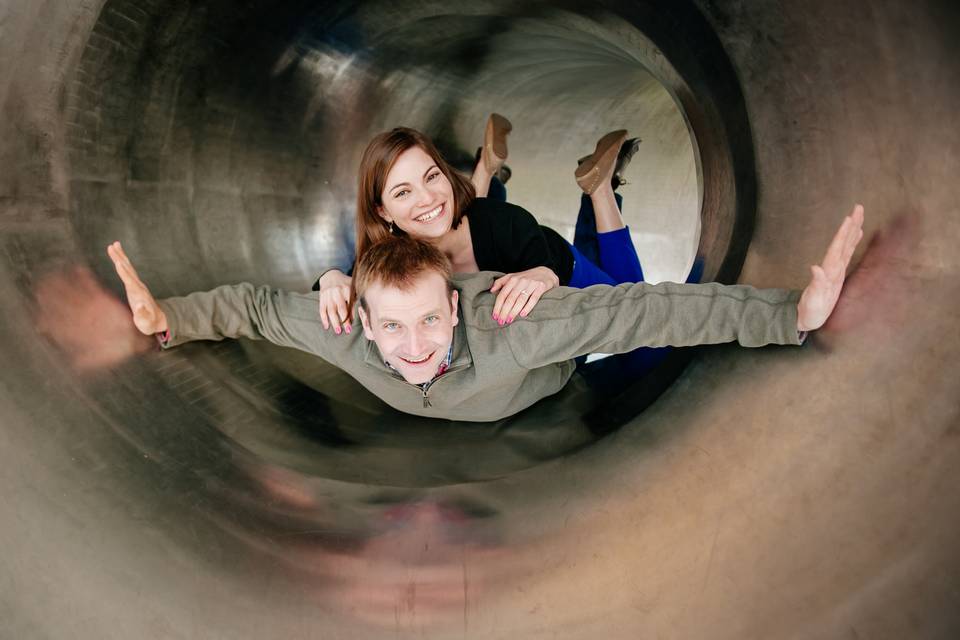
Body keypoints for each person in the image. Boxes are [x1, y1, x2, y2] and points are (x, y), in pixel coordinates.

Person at [105, 203, 864, 422]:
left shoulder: (514, 323)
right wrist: (163, 317)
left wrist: (791, 312)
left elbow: (648, 310)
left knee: (608, 312)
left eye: (431, 321)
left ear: (455, 307)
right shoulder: (345, 325)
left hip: (543, 374)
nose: (413, 347)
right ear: (363, 323)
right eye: (393, 327)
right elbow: (255, 308)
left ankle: (552, 203)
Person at [314, 116, 648, 336]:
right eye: (403, 192)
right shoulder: (387, 253)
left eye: (432, 176)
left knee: (632, 300)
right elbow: (341, 287)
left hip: (560, 265)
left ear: (445, 173)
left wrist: (546, 274)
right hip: (489, 225)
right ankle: (493, 170)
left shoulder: (505, 222)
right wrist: (331, 278)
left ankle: (600, 188)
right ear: (382, 211)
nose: (427, 198)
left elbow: (549, 264)